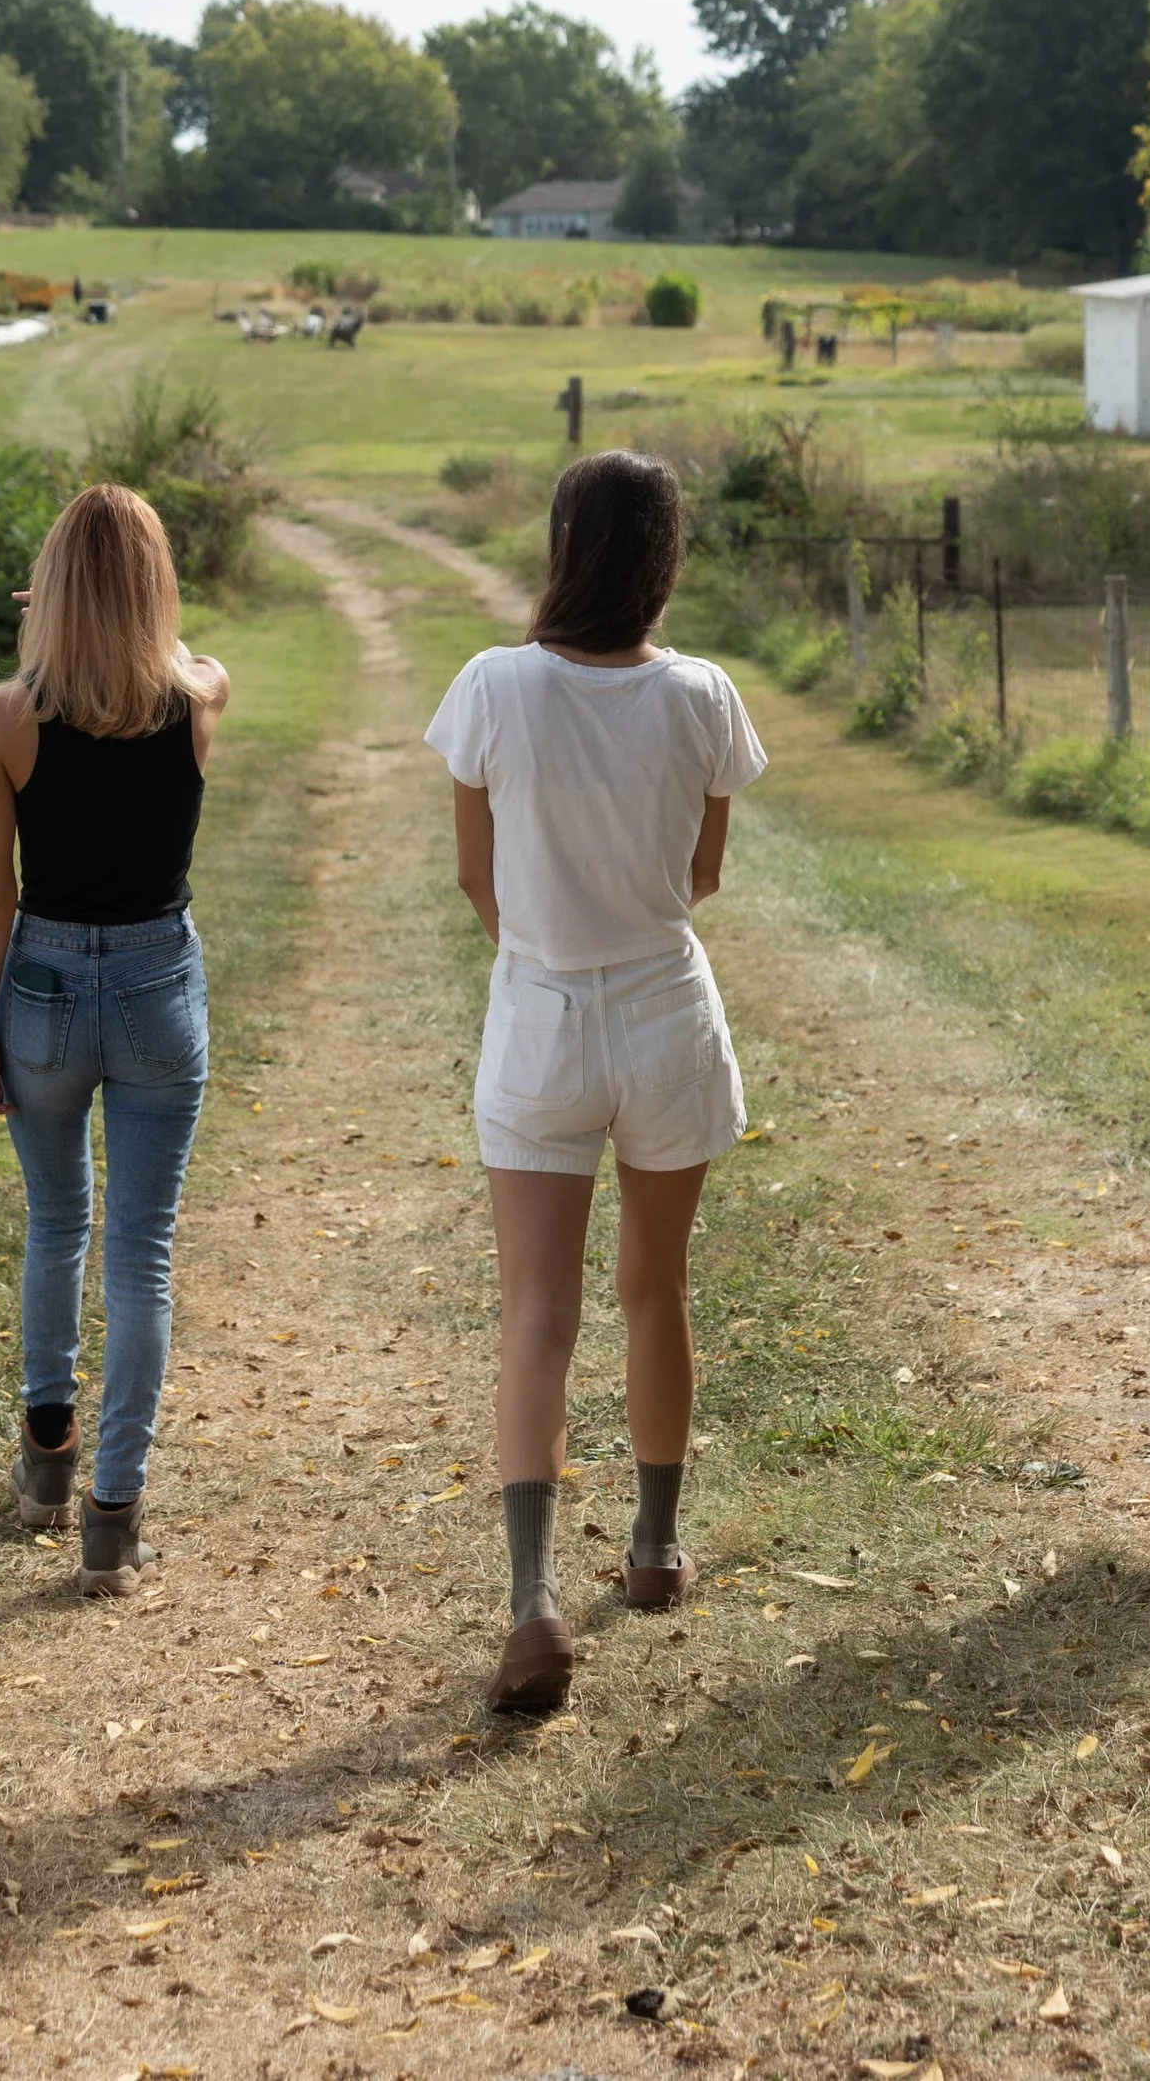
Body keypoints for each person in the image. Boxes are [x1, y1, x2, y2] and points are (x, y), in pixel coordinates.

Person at [425, 450, 766, 1716]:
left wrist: (542, 962)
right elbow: (703, 875)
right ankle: (656, 1548)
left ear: (563, 544)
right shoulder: (703, 695)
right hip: (666, 1008)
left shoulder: (494, 686)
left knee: (536, 1312)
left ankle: (529, 1603)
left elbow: (477, 877)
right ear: (665, 557)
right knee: (655, 1288)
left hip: (541, 1010)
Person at [0, 482, 230, 1598]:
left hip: (44, 988)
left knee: (54, 1225)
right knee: (143, 1252)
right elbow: (174, 659)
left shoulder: (0, 719)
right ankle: (113, 1519)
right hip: (159, 981)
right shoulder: (202, 694)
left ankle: (44, 1463)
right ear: (155, 586)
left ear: (51, 589)